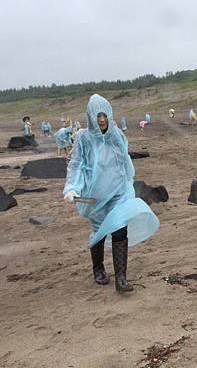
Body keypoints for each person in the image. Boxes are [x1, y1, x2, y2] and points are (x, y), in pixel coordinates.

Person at [63, 94, 160, 292]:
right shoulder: (83, 138)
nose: (101, 120)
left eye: (104, 115)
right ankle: (98, 269)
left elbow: (124, 160)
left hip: (118, 191)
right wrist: (72, 187)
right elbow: (76, 164)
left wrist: (128, 183)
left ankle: (121, 278)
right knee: (98, 233)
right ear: (90, 116)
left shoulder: (116, 135)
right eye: (97, 116)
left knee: (119, 228)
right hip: (95, 195)